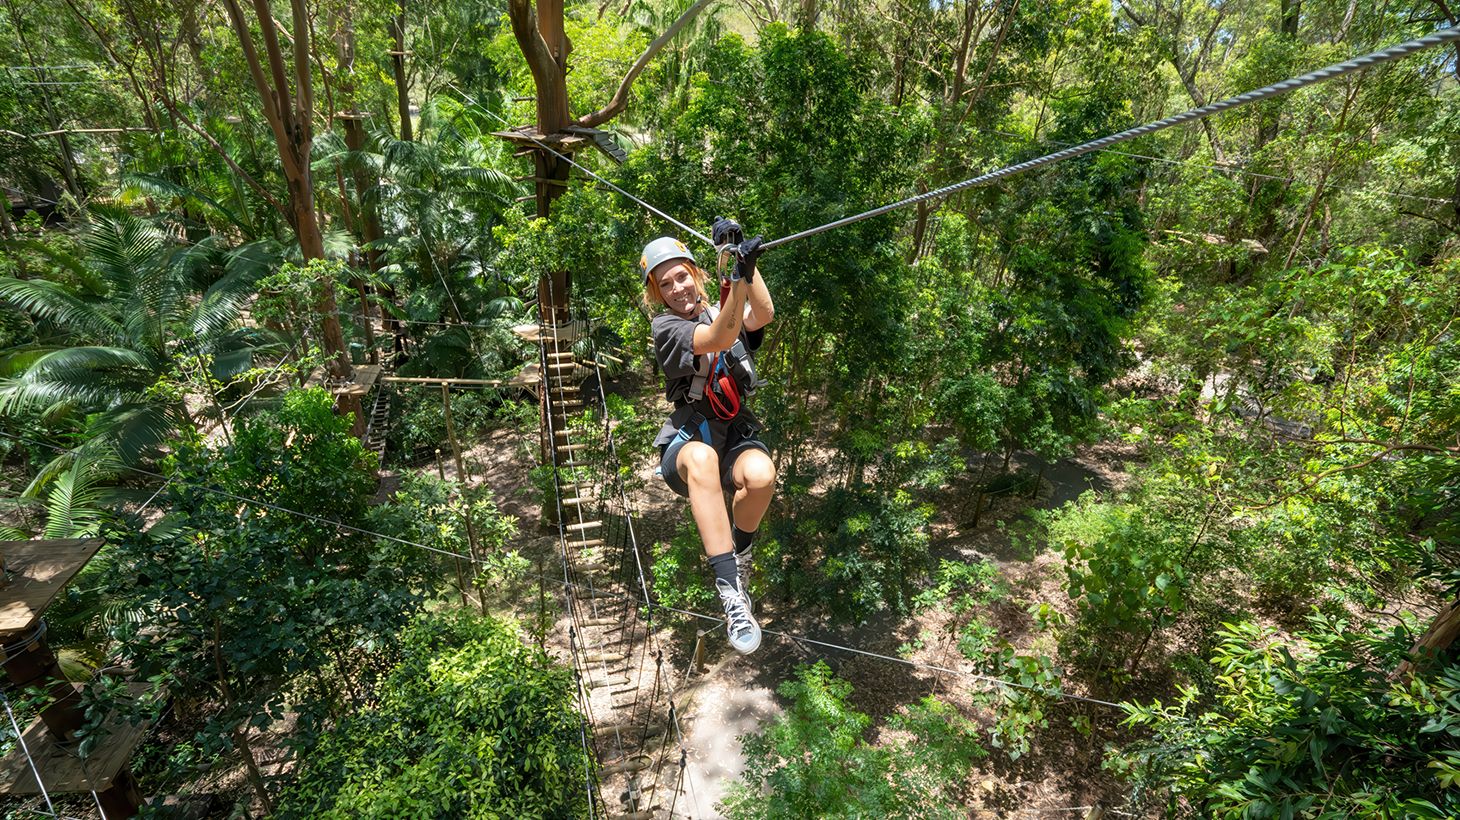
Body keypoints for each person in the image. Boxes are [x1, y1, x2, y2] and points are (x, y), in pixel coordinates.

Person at [640, 219, 776, 655]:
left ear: (695, 274)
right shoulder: (667, 329)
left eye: (682, 276)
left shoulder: (721, 306)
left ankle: (742, 553)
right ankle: (730, 592)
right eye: (666, 284)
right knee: (700, 459)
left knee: (760, 476)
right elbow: (722, 336)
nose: (677, 287)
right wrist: (737, 279)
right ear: (657, 294)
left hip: (732, 430)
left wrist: (746, 268)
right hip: (689, 438)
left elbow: (764, 314)